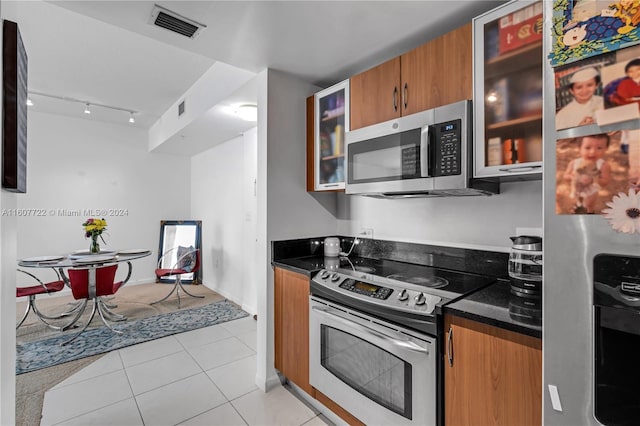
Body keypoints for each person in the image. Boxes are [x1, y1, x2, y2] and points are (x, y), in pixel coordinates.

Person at [563, 133, 611, 214]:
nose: (593, 152)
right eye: (587, 148)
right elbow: (565, 176)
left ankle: (590, 213)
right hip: (578, 189)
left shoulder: (603, 165)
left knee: (589, 204)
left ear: (606, 149)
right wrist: (574, 177)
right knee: (578, 201)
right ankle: (578, 207)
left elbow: (605, 181)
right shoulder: (574, 163)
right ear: (580, 148)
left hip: (591, 191)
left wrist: (592, 180)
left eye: (599, 148)